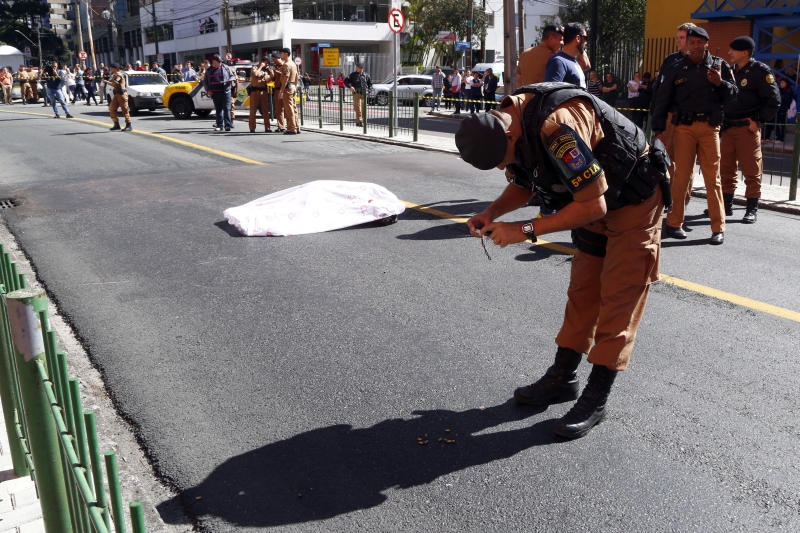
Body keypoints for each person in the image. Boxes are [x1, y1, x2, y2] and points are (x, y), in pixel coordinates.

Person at [455, 82, 669, 439]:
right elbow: (525, 180)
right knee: (583, 289)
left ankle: (596, 396)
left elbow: (594, 205)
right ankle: (563, 378)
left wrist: (523, 229)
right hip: (591, 198)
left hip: (634, 200)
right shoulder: (509, 122)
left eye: (501, 159)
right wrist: (491, 212)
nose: (502, 167)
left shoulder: (557, 128)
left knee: (619, 294)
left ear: (508, 135)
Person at [651, 26, 737, 245]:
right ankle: (674, 223)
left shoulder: (720, 66)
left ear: (707, 43)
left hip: (710, 128)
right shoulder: (676, 68)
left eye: (700, 42)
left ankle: (718, 228)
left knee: (713, 179)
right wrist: (658, 130)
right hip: (684, 128)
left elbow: (734, 95)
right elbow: (662, 99)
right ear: (687, 44)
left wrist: (720, 83)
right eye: (692, 43)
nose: (696, 47)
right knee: (681, 177)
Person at [718, 36, 780, 224]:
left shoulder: (759, 71)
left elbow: (774, 100)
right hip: (727, 127)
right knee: (726, 169)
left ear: (744, 53)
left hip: (747, 128)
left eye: (733, 50)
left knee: (752, 170)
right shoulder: (730, 71)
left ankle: (751, 209)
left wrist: (758, 120)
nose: (729, 53)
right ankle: (726, 206)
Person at [649, 23, 696, 187]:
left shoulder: (700, 61)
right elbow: (659, 88)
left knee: (686, 162)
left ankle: (683, 198)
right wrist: (655, 114)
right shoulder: (670, 60)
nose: (678, 41)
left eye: (682, 38)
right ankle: (670, 196)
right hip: (669, 116)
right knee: (667, 159)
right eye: (678, 38)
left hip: (689, 118)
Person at [544, 23, 588, 88]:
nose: (586, 42)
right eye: (585, 38)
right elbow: (550, 91)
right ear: (578, 38)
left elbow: (587, 65)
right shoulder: (558, 62)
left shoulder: (572, 61)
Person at [202, 54, 234, 132]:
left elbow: (232, 76)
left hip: (226, 91)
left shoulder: (226, 68)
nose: (220, 63)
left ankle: (227, 125)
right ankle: (219, 125)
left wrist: (230, 80)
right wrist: (208, 90)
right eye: (218, 62)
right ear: (213, 61)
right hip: (215, 93)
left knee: (227, 108)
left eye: (220, 62)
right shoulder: (209, 70)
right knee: (218, 109)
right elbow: (205, 81)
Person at [248, 56, 274, 133]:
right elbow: (255, 74)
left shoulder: (266, 71)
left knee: (265, 110)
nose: (267, 65)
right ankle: (252, 127)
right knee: (253, 110)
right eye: (266, 63)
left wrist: (271, 75)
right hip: (255, 91)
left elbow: (267, 80)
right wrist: (261, 67)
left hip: (263, 91)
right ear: (262, 62)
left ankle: (267, 127)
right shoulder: (254, 68)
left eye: (268, 63)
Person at [279, 47, 300, 134]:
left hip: (287, 88)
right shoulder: (293, 64)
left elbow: (286, 78)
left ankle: (291, 128)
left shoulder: (286, 65)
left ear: (286, 54)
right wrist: (295, 86)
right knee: (294, 107)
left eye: (281, 53)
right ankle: (297, 127)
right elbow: (297, 76)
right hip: (293, 86)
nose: (280, 55)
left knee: (289, 108)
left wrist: (281, 90)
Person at [344, 62, 372, 127]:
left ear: (362, 68)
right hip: (357, 93)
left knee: (363, 108)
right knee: (358, 108)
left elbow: (370, 84)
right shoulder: (353, 75)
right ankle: (359, 122)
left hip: (364, 94)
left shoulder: (366, 75)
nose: (356, 68)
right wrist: (350, 87)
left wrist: (369, 90)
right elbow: (346, 81)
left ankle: (361, 121)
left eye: (358, 67)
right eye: (356, 67)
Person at [106, 62, 131, 131]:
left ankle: (128, 124)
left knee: (125, 110)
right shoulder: (114, 75)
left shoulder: (119, 75)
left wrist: (106, 82)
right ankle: (116, 124)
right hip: (117, 94)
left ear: (115, 68)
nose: (110, 69)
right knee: (112, 108)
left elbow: (115, 84)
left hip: (122, 94)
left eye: (111, 68)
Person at [272, 52, 286, 132]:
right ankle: (281, 126)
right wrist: (272, 73)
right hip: (277, 89)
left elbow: (287, 76)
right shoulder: (275, 67)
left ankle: (292, 126)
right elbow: (274, 79)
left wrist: (278, 72)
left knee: (288, 109)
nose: (274, 60)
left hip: (284, 89)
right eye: (273, 59)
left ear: (279, 58)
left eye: (275, 59)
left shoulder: (284, 66)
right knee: (278, 109)